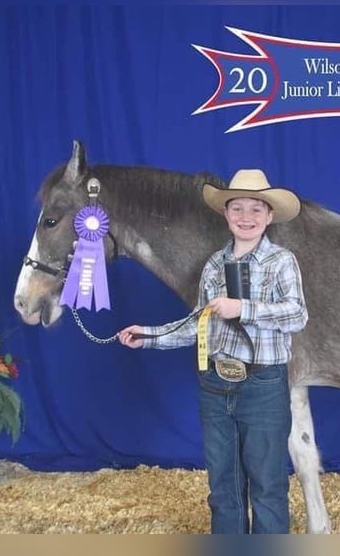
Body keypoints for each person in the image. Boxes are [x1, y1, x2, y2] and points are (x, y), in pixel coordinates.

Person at [117, 168, 308, 534]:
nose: (246, 217)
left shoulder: (282, 262)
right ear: (225, 214)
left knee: (268, 486)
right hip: (216, 385)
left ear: (269, 216)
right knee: (223, 486)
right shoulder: (214, 266)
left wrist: (244, 309)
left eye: (256, 209)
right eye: (238, 209)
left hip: (264, 385)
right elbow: (197, 323)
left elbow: (297, 315)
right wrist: (150, 336)